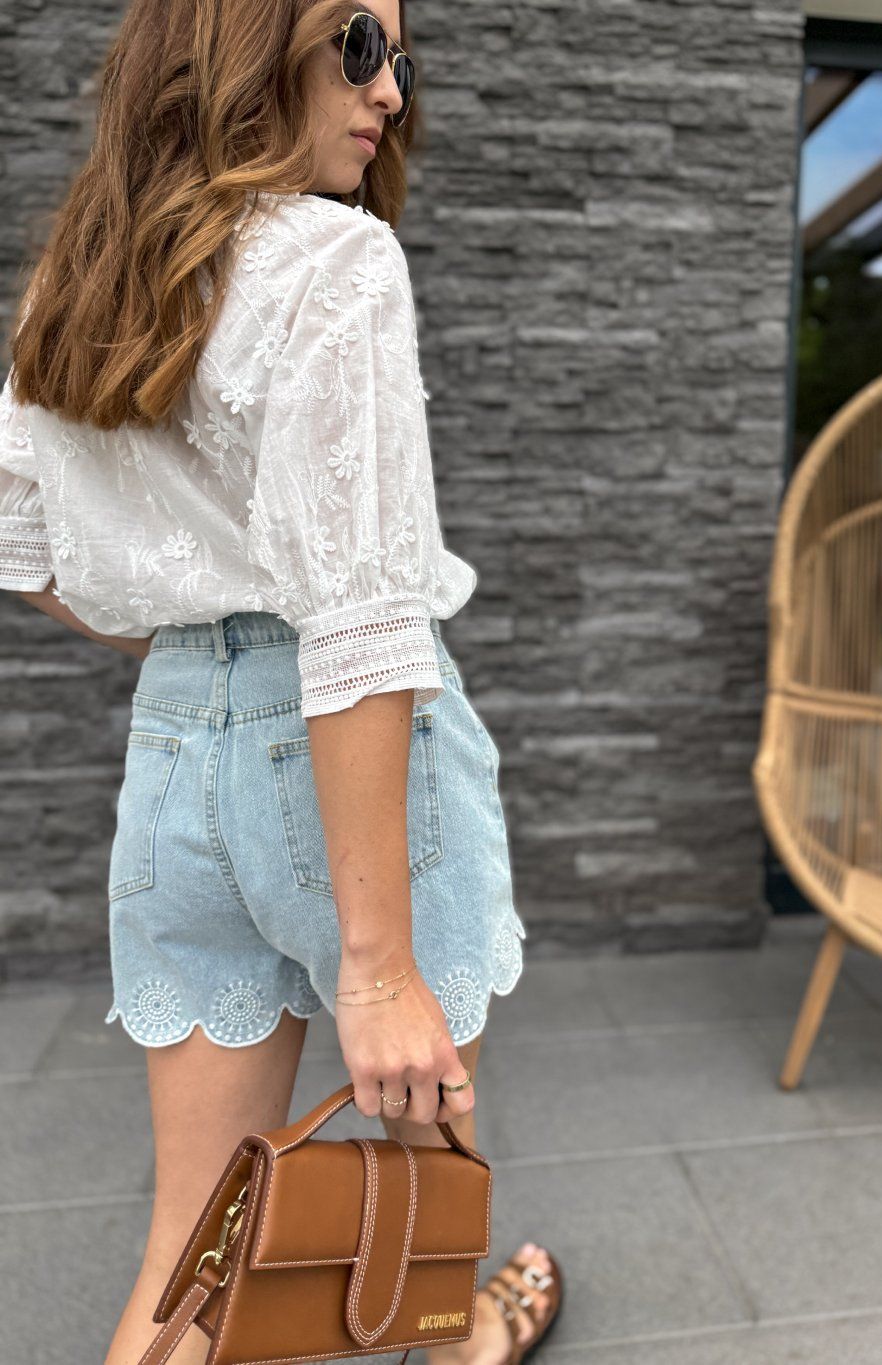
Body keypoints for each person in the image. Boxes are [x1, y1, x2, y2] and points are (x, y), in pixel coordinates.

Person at [0, 2, 561, 1361]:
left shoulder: (81, 279)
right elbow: (360, 620)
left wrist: (201, 656)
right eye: (359, 44)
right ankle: (465, 1341)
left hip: (175, 750)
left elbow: (29, 555)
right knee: (425, 1154)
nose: (392, 91)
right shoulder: (336, 262)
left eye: (401, 60)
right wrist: (377, 968)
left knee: (188, 1250)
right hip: (348, 755)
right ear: (240, 41)